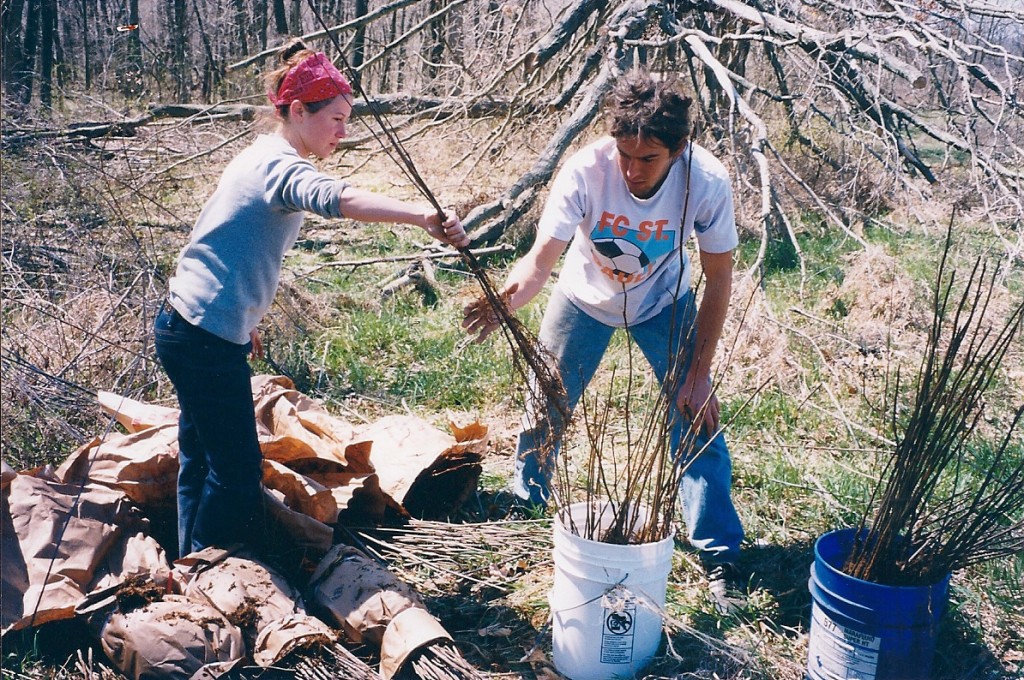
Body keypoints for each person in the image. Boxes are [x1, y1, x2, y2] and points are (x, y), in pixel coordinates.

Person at [155, 38, 469, 558]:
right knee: (233, 473)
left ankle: (191, 560)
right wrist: (421, 216)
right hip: (201, 338)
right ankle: (209, 573)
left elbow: (221, 241)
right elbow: (334, 197)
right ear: (298, 111)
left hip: (190, 324)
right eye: (337, 119)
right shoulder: (278, 167)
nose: (344, 132)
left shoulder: (262, 158)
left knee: (201, 456)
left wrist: (243, 317)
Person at [463, 68, 746, 612]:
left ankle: (718, 552)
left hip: (664, 300)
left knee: (697, 415)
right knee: (547, 399)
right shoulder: (586, 171)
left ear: (679, 148)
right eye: (625, 154)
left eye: (649, 160)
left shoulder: (705, 181)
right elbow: (541, 259)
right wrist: (507, 299)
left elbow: (720, 277)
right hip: (584, 296)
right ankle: (527, 505)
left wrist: (699, 371)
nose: (633, 171)